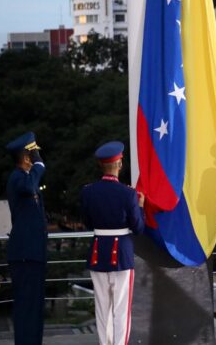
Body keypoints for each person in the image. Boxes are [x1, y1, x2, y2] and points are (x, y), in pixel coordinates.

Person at [81, 141, 145, 345]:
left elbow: (87, 222)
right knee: (121, 307)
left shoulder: (88, 191)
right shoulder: (128, 194)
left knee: (102, 307)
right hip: (121, 254)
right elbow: (138, 228)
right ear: (120, 164)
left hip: (98, 251)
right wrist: (140, 207)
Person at [5, 132, 47, 345]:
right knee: (26, 307)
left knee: (35, 308)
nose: (37, 156)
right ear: (25, 156)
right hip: (25, 254)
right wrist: (39, 166)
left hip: (33, 253)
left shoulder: (27, 178)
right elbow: (30, 187)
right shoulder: (18, 178)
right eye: (34, 152)